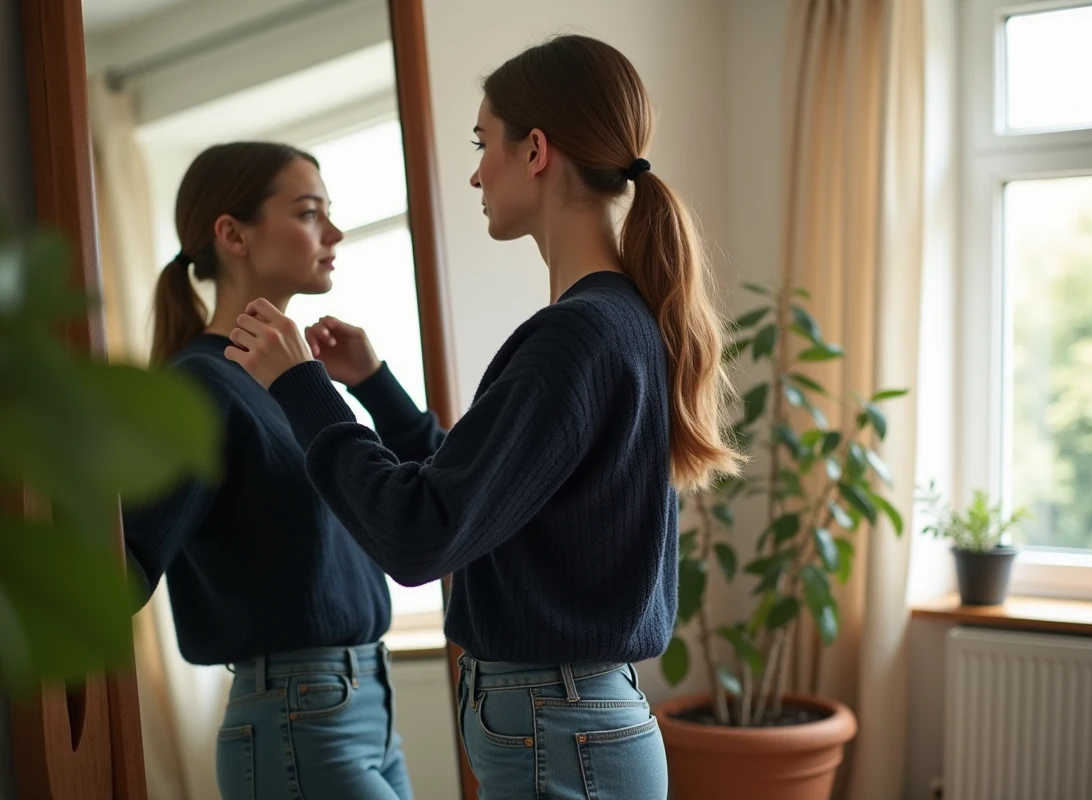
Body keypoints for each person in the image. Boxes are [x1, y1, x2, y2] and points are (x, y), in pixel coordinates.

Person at [225, 34, 742, 800]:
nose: (475, 170)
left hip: (558, 731)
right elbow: (484, 503)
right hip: (574, 727)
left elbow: (421, 534)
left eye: (482, 142)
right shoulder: (617, 321)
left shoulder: (578, 334)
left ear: (536, 149)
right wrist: (375, 387)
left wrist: (303, 389)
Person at [121, 141, 420, 800]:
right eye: (310, 212)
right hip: (298, 717)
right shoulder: (199, 386)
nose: (334, 232)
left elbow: (413, 506)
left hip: (365, 706)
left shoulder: (293, 383)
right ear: (233, 234)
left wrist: (373, 384)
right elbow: (127, 558)